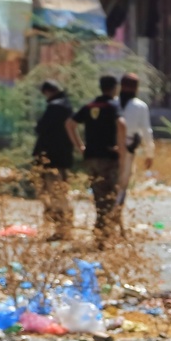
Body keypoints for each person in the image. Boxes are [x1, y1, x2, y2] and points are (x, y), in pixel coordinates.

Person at [67, 75, 127, 243]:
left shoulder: (90, 106)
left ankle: (102, 234)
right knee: (110, 197)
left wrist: (80, 147)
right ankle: (104, 235)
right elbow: (122, 124)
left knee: (99, 196)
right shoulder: (112, 106)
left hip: (91, 157)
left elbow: (70, 124)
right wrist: (121, 149)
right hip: (108, 158)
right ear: (115, 88)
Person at [32, 80, 75, 242]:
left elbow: (41, 129)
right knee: (61, 194)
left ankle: (62, 231)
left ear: (48, 92)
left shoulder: (55, 107)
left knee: (55, 195)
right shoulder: (66, 106)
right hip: (62, 157)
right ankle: (64, 229)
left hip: (52, 159)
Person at [115, 72, 154, 208]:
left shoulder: (112, 102)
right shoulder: (140, 106)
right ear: (137, 88)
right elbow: (147, 132)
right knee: (123, 183)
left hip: (110, 147)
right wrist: (150, 154)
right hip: (128, 149)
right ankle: (116, 215)